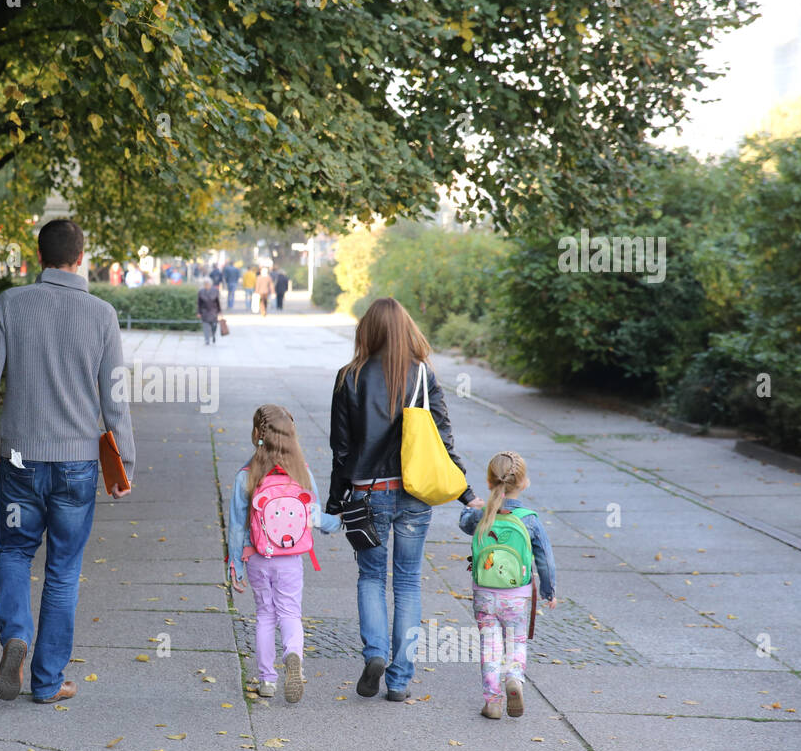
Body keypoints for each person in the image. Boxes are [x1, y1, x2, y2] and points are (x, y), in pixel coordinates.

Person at [0, 219, 135, 705]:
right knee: (63, 571)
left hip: (18, 461)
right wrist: (125, 465)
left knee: (12, 552)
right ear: (80, 256)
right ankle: (48, 681)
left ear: (39, 254)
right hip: (76, 466)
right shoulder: (102, 314)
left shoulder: (10, 304)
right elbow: (115, 400)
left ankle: (16, 635)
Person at [327, 297, 482, 702]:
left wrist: (333, 502)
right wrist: (467, 494)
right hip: (415, 493)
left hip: (367, 493)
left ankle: (375, 653)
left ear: (368, 331)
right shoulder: (422, 376)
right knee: (409, 583)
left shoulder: (349, 376)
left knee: (371, 577)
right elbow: (443, 440)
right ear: (406, 329)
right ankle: (399, 680)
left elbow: (341, 451)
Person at [227, 405, 341, 703]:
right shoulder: (301, 474)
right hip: (290, 559)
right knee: (290, 613)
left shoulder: (246, 477)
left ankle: (267, 681)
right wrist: (336, 523)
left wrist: (234, 564)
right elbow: (314, 516)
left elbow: (237, 527)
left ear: (256, 435)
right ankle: (293, 655)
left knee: (265, 615)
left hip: (257, 558)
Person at [458, 451, 557, 719]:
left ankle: (492, 701)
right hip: (517, 595)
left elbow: (464, 524)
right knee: (516, 641)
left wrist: (471, 506)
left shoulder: (482, 515)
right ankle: (514, 678)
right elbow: (545, 559)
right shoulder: (530, 519)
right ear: (524, 483)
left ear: (490, 482)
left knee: (490, 646)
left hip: (485, 594)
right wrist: (548, 591)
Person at [197, 277, 222, 345]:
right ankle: (207, 339)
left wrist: (219, 311)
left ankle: (213, 335)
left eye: (208, 284)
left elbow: (218, 302)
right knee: (205, 326)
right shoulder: (201, 291)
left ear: (211, 284)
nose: (206, 285)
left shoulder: (215, 291)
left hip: (213, 311)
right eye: (205, 284)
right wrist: (198, 312)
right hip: (204, 311)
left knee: (214, 326)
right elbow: (199, 303)